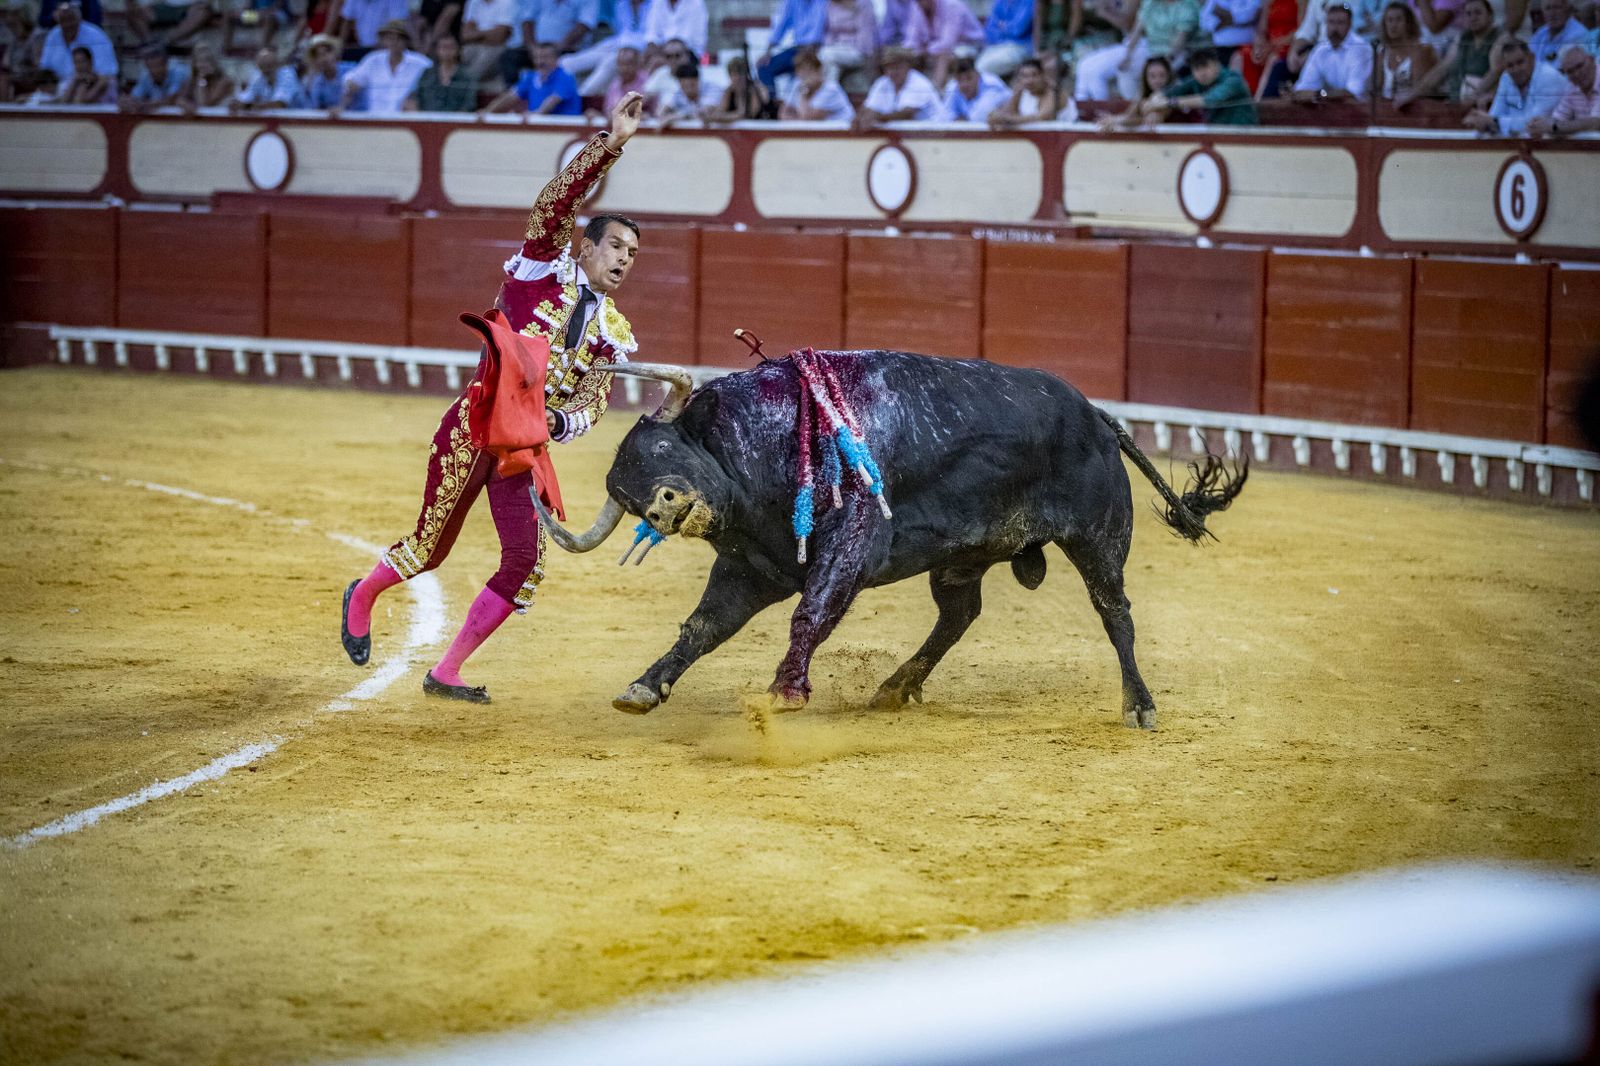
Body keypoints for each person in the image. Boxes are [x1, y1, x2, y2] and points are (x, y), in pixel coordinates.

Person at [339, 93, 648, 704]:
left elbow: (593, 400)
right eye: (616, 247)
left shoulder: (613, 332)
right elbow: (554, 203)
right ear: (585, 247)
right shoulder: (539, 269)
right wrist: (610, 144)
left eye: (633, 256)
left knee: (524, 562)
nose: (625, 261)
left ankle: (446, 671)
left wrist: (562, 420)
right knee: (430, 546)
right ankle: (365, 592)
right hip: (476, 426)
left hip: (522, 451)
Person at [1074, 0, 1201, 100]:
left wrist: (1165, 60)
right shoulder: (1150, 3)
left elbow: (1180, 39)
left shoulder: (1188, 5)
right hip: (1151, 48)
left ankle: (1161, 105)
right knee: (1124, 68)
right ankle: (1132, 105)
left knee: (1159, 71)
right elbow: (1137, 31)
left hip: (1177, 52)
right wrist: (1127, 56)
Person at [1398, 0, 1506, 106]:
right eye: (1468, 14)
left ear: (1490, 16)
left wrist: (1473, 96)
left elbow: (1496, 71)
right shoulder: (1462, 38)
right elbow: (1442, 69)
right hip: (1456, 102)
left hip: (1482, 104)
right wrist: (1413, 93)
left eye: (1478, 12)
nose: (1473, 17)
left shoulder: (1500, 38)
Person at [1463, 37, 1563, 131]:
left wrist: (1495, 122)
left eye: (1520, 62)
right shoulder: (1506, 77)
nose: (1516, 70)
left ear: (1531, 58)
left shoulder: (1549, 77)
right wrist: (1481, 120)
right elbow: (1495, 114)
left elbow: (1534, 123)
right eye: (1510, 65)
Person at [338, 18, 431, 113]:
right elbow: (351, 81)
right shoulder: (373, 60)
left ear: (406, 41)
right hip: (376, 120)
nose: (394, 42)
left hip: (406, 120)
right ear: (384, 40)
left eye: (399, 38)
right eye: (390, 38)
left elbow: (434, 81)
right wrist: (350, 85)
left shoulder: (420, 63)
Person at [1144, 43, 1257, 118]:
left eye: (1205, 66)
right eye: (1197, 68)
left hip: (1243, 133)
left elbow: (1210, 100)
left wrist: (1168, 103)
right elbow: (1167, 91)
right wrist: (1155, 102)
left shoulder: (1232, 79)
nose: (1202, 73)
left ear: (1216, 65)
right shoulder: (1196, 79)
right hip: (1218, 135)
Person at [1293, 2, 1373, 100]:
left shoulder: (1360, 49)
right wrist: (1309, 94)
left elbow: (1353, 94)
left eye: (1340, 23)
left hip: (1360, 110)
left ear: (1350, 25)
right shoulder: (1321, 49)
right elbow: (1303, 87)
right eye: (1331, 22)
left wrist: (1320, 94)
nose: (1335, 28)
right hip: (1332, 108)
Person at [902, 0, 985, 87]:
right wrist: (907, 52)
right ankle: (912, 91)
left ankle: (936, 91)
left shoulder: (952, 5)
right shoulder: (917, 7)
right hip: (939, 47)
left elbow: (947, 42)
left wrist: (925, 50)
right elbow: (911, 39)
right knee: (907, 57)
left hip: (970, 46)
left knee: (943, 55)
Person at [484, 38, 580, 111]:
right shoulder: (531, 77)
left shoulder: (565, 77)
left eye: (545, 57)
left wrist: (535, 116)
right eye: (537, 58)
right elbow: (510, 97)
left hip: (560, 128)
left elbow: (552, 102)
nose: (540, 62)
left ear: (556, 59)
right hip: (539, 127)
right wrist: (487, 112)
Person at [855, 43, 940, 125]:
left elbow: (907, 114)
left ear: (908, 66)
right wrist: (861, 117)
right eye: (889, 67)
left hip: (938, 133)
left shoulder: (919, 83)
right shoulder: (882, 82)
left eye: (897, 67)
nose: (892, 72)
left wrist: (876, 117)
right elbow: (869, 108)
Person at [1525, 43, 1599, 134]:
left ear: (1592, 59)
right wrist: (1539, 125)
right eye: (1570, 71)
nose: (1577, 74)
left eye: (1580, 66)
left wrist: (1554, 127)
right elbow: (1558, 119)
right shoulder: (1572, 87)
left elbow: (1596, 123)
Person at [38, 1, 112, 88]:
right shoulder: (53, 35)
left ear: (79, 18)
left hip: (88, 89)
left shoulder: (96, 35)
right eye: (63, 20)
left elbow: (107, 74)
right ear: (57, 20)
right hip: (56, 90)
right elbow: (45, 69)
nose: (67, 24)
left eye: (70, 19)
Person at [757, 0, 826, 92]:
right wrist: (767, 52)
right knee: (764, 67)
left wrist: (813, 47)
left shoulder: (824, 2)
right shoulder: (792, 1)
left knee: (806, 73)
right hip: (798, 49)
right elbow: (781, 24)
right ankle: (771, 102)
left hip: (819, 50)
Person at [1373, 1, 1436, 99]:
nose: (1393, 25)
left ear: (1408, 23)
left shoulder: (1422, 50)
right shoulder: (1382, 51)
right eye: (1389, 20)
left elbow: (1421, 94)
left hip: (1413, 109)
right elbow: (1376, 90)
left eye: (1398, 20)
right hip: (1385, 109)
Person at [407, 30, 477, 109]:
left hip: (455, 119)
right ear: (437, 50)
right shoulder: (427, 73)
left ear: (458, 50)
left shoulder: (466, 75)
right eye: (443, 47)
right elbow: (416, 97)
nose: (447, 51)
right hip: (428, 118)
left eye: (451, 47)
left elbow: (469, 104)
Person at [1099, 52, 1173, 123]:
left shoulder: (1172, 96)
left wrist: (1116, 120)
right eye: (1152, 76)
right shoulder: (1143, 96)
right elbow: (1128, 116)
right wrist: (1114, 120)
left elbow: (1144, 121)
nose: (1157, 80)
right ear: (1146, 78)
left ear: (1168, 77)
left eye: (1162, 75)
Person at [781, 47, 854, 117]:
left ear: (819, 71)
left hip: (844, 129)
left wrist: (803, 94)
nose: (805, 76)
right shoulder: (797, 83)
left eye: (809, 71)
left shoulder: (831, 88)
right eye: (801, 72)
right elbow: (782, 114)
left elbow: (808, 118)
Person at [988, 54, 1058, 124]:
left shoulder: (1053, 91)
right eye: (1024, 76)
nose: (1029, 81)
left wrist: (1007, 119)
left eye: (1034, 75)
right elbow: (1007, 113)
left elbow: (1043, 117)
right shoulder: (1020, 92)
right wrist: (997, 117)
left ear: (1043, 75)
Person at [232, 44, 305, 110]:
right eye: (262, 66)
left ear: (277, 64)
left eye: (269, 65)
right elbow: (247, 96)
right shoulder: (258, 75)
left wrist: (249, 106)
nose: (266, 70)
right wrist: (237, 103)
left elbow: (279, 104)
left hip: (303, 117)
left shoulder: (287, 74)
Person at [939, 52, 1010, 118]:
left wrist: (959, 119)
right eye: (960, 79)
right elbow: (944, 118)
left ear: (978, 75)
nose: (965, 84)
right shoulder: (953, 86)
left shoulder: (992, 85)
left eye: (969, 78)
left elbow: (978, 118)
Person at [120, 42, 188, 111]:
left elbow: (171, 99)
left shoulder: (179, 73)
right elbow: (134, 98)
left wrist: (143, 105)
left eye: (158, 66)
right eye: (150, 67)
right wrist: (127, 102)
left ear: (166, 63)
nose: (155, 71)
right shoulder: (145, 76)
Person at [703, 53, 771, 121]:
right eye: (733, 75)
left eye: (739, 74)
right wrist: (710, 111)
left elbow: (748, 114)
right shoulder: (729, 91)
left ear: (746, 75)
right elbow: (720, 111)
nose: (736, 78)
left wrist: (740, 95)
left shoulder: (757, 89)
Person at [977, 0, 1035, 76]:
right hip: (997, 46)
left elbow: (1018, 29)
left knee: (983, 68)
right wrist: (1006, 27)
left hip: (1020, 47)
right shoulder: (1000, 2)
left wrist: (1002, 26)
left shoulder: (1028, 1)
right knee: (976, 67)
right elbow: (989, 32)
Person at [175, 42, 234, 111]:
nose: (204, 65)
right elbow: (179, 99)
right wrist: (184, 104)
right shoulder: (191, 81)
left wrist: (201, 80)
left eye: (207, 60)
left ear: (214, 62)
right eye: (200, 61)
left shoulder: (224, 81)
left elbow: (205, 105)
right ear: (195, 64)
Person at [1529, 0, 1586, 65]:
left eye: (1557, 7)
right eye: (1548, 8)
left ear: (1567, 10)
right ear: (1543, 12)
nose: (1552, 13)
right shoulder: (1540, 34)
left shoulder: (1578, 34)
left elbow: (1563, 69)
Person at [301, 32, 346, 108]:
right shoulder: (317, 83)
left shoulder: (352, 70)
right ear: (315, 61)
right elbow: (314, 109)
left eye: (327, 52)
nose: (324, 59)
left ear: (335, 53)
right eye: (319, 55)